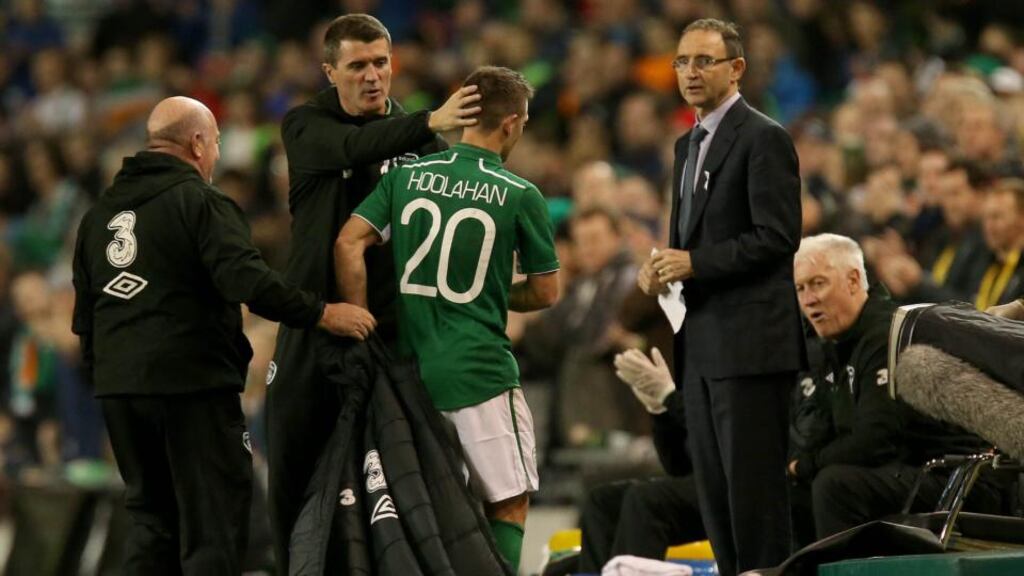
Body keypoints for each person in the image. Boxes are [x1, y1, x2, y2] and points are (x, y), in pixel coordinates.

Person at [70, 96, 374, 575]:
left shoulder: (97, 217)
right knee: (213, 522)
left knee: (151, 523)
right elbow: (248, 283)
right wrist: (321, 312)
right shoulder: (201, 202)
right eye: (213, 143)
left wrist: (113, 377)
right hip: (192, 386)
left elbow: (85, 317)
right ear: (195, 143)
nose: (213, 155)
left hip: (120, 389)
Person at [265, 13, 482, 571]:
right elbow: (351, 147)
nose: (371, 76)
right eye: (357, 65)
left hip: (391, 338)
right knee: (293, 465)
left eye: (381, 63)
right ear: (330, 71)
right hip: (315, 327)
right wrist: (431, 120)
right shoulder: (305, 126)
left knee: (393, 483)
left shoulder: (423, 141)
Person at [335, 66, 560, 572]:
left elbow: (349, 242)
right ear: (511, 123)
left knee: (435, 507)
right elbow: (547, 290)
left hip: (410, 375)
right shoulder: (520, 193)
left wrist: (360, 317)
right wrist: (491, 294)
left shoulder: (405, 178)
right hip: (479, 373)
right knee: (507, 501)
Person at [637, 18, 804, 576]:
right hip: (703, 346)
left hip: (753, 349)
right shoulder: (688, 144)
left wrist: (694, 262)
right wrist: (665, 269)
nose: (690, 72)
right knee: (717, 503)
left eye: (704, 61)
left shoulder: (764, 137)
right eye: (682, 61)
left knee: (755, 503)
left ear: (736, 69)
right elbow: (693, 241)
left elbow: (778, 239)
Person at [791, 233, 999, 538]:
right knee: (793, 489)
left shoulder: (888, 334)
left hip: (955, 478)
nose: (809, 299)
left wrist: (806, 465)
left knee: (833, 484)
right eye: (800, 288)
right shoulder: (833, 344)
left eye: (818, 283)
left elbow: (876, 439)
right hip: (905, 470)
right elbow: (824, 427)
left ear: (852, 281)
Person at [575, 347, 705, 573]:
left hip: (747, 486)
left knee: (646, 500)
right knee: (601, 500)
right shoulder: (700, 359)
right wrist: (659, 411)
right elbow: (677, 466)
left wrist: (670, 398)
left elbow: (722, 435)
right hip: (710, 481)